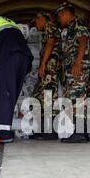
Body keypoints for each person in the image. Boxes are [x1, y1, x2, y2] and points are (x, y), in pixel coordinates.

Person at [0, 13, 33, 143]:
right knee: (10, 94)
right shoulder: (11, 24)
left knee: (2, 94)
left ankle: (3, 133)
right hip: (24, 58)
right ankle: (2, 129)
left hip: (9, 56)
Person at [56, 3, 90, 143]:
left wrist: (77, 62)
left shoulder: (77, 23)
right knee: (78, 98)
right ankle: (84, 132)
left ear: (65, 13)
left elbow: (83, 41)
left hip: (78, 68)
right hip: (73, 67)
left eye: (59, 17)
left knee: (77, 99)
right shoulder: (71, 27)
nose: (59, 20)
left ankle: (80, 133)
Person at [30, 12, 61, 140]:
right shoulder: (49, 28)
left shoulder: (50, 26)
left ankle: (50, 131)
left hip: (50, 67)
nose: (35, 24)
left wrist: (43, 64)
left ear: (41, 19)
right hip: (49, 67)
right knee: (38, 97)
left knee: (48, 97)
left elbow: (50, 43)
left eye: (36, 21)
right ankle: (41, 130)